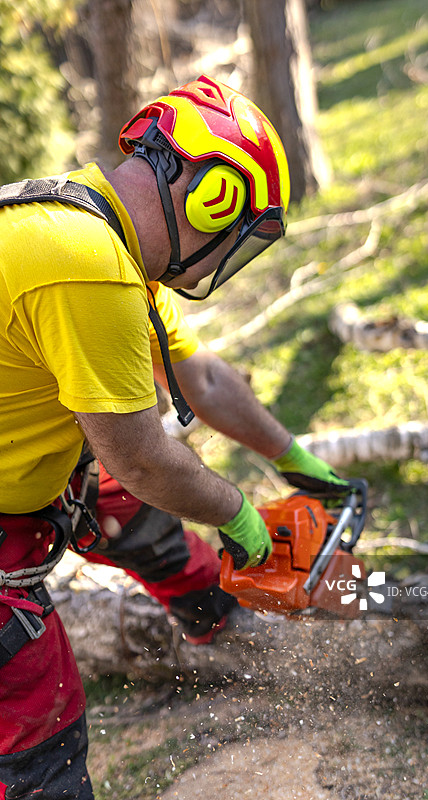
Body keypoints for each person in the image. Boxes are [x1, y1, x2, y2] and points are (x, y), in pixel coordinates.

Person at [0, 74, 351, 799]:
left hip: (26, 480)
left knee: (119, 502)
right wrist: (243, 519)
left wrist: (294, 459)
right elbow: (141, 456)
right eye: (233, 235)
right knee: (38, 721)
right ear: (212, 194)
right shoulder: (82, 262)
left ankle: (219, 627)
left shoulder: (90, 228)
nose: (224, 256)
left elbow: (203, 379)